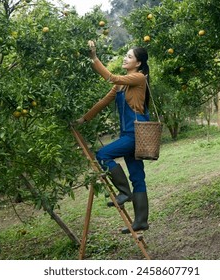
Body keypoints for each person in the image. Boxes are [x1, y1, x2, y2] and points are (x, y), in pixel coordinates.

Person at [76, 40, 150, 233]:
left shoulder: (139, 78)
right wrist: (84, 119)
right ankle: (141, 221)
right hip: (128, 133)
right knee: (137, 177)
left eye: (129, 56)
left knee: (103, 154)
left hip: (135, 134)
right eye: (125, 55)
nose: (125, 59)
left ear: (138, 63)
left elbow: (110, 77)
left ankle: (124, 193)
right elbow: (103, 102)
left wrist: (94, 57)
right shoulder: (121, 86)